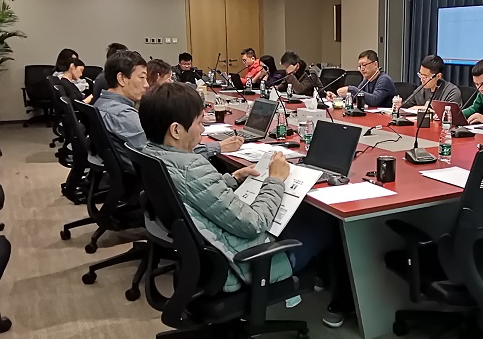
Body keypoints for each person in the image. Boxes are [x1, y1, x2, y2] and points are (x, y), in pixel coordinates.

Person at [139, 82, 354, 327]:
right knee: (328, 221)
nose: (202, 129)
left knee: (300, 212)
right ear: (176, 130)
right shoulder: (191, 168)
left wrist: (232, 178)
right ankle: (341, 302)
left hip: (210, 256)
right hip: (242, 264)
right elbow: (252, 224)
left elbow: (196, 193)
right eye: (199, 122)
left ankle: (324, 281)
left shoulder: (153, 155)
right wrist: (275, 179)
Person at [95, 51, 243, 173]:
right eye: (141, 77)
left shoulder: (102, 104)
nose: (146, 84)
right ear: (122, 78)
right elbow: (165, 155)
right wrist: (218, 147)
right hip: (155, 180)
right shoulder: (122, 114)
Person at [327, 50, 396, 107]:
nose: (362, 69)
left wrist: (351, 89)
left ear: (375, 65)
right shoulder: (367, 80)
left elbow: (374, 100)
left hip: (384, 116)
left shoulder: (384, 80)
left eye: (364, 65)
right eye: (360, 66)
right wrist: (337, 98)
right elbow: (356, 97)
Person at [393, 54, 461, 110]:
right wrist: (400, 105)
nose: (421, 79)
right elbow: (407, 106)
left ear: (438, 76)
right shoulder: (420, 89)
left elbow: (451, 116)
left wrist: (426, 109)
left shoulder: (452, 92)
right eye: (420, 75)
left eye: (425, 77)